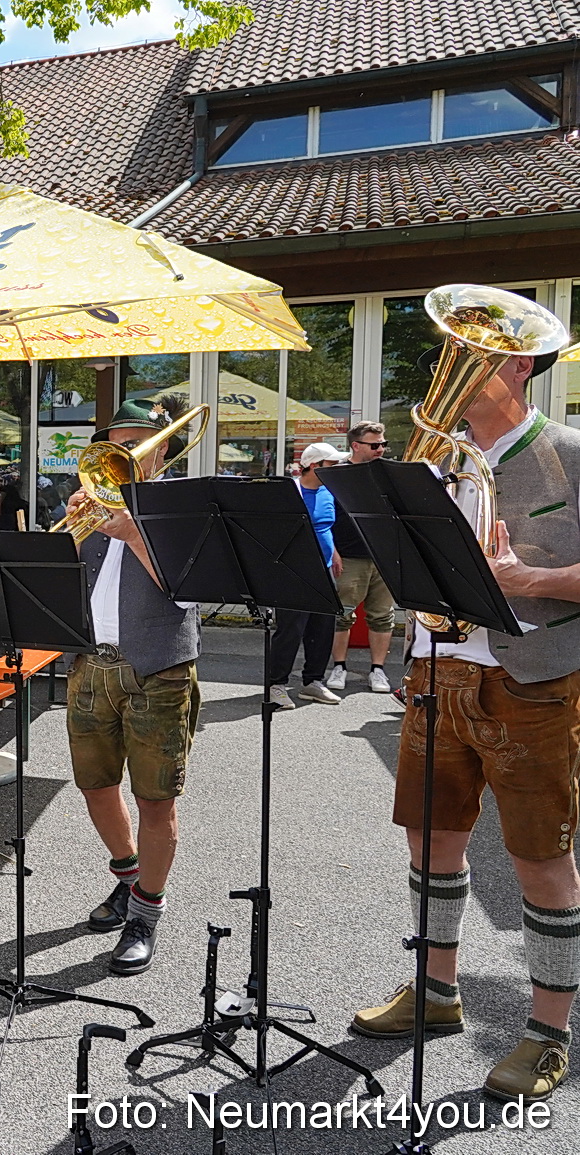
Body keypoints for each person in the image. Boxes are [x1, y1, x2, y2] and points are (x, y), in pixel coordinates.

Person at [350, 342, 580, 1102]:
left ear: (519, 369)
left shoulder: (568, 451)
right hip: (439, 668)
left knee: (539, 857)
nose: (444, 372)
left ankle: (549, 1033)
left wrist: (530, 578)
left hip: (533, 679)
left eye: (470, 358)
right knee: (431, 835)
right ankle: (435, 988)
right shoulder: (441, 463)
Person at [63, 397, 202, 976]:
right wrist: (70, 530)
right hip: (91, 664)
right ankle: (127, 876)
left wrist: (133, 534)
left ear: (161, 446)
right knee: (96, 786)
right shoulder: (94, 501)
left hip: (158, 668)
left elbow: (192, 592)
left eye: (135, 442)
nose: (123, 453)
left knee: (155, 799)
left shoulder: (184, 507)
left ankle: (146, 911)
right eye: (116, 442)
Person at [267, 443, 345, 710]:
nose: (337, 469)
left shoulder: (329, 491)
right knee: (290, 630)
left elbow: (326, 526)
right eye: (331, 465)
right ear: (314, 466)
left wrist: (334, 553)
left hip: (324, 569)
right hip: (293, 572)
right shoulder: (290, 491)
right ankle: (275, 685)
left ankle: (313, 681)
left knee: (323, 628)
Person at [326, 421, 396, 694]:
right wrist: (333, 551)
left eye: (383, 444)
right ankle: (339, 666)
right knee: (342, 614)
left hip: (383, 557)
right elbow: (324, 517)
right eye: (375, 445)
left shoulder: (387, 472)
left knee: (382, 615)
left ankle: (377, 670)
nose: (381, 449)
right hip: (349, 555)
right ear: (356, 446)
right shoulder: (336, 473)